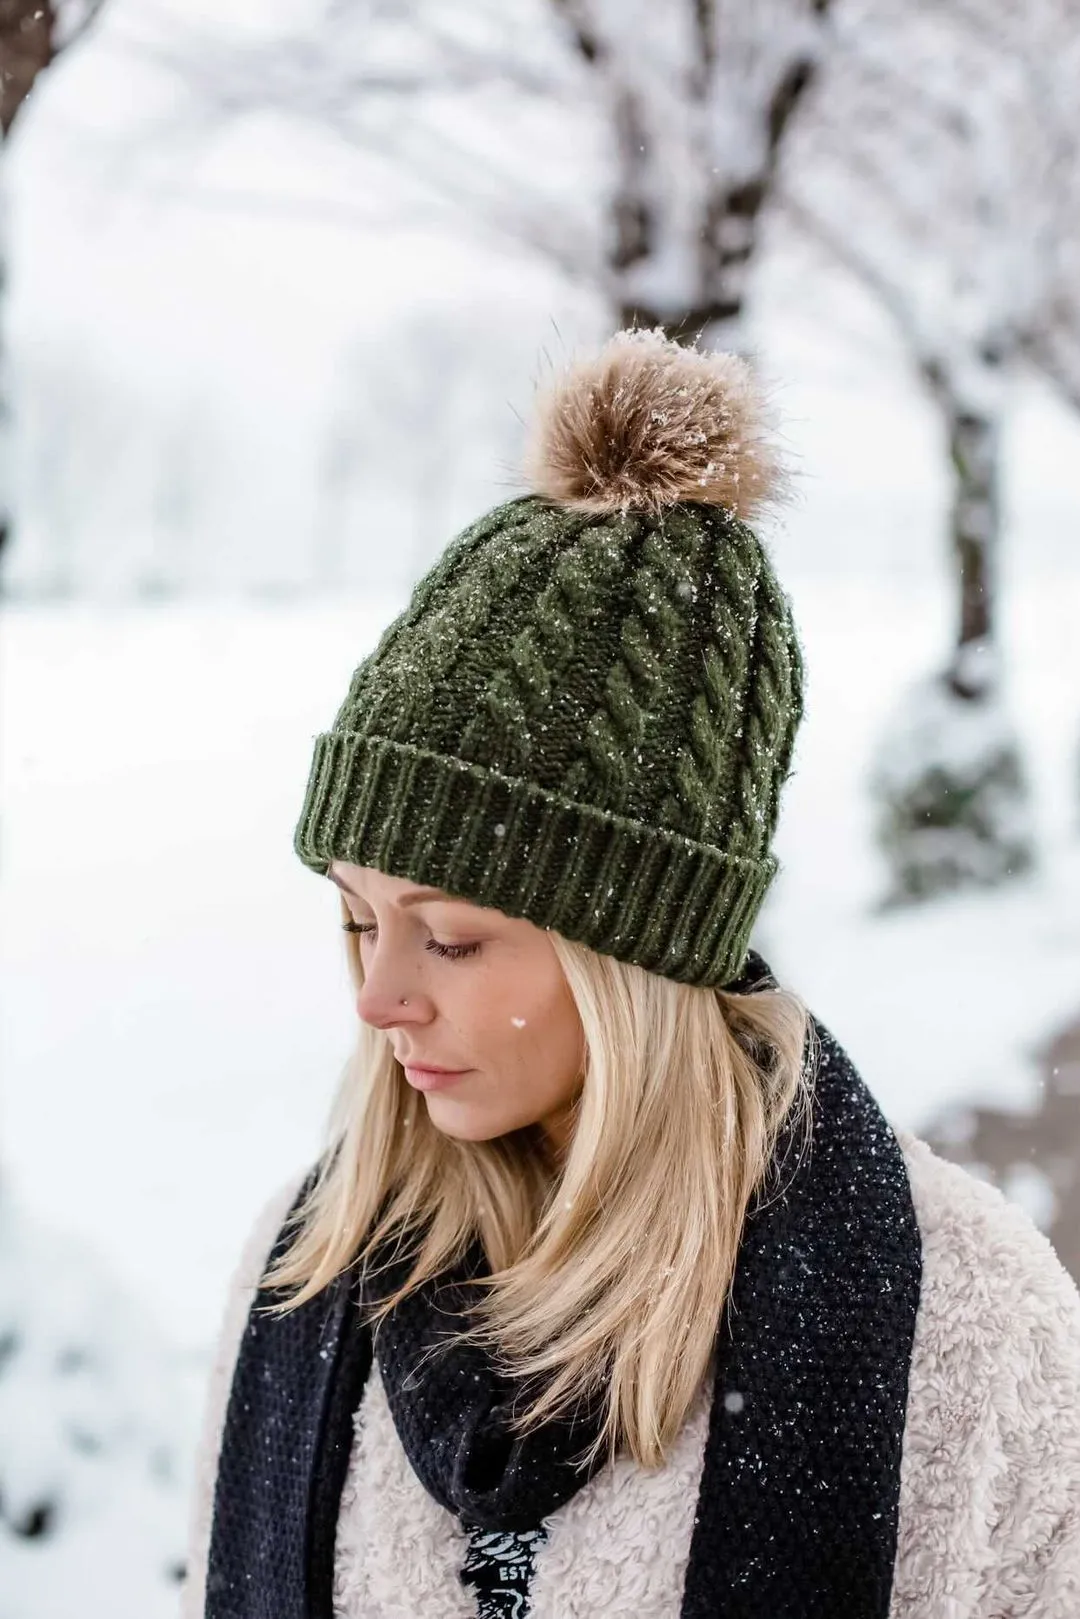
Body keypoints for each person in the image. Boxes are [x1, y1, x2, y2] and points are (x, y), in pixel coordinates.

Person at [182, 330, 1080, 1619]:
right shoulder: (306, 1273)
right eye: (354, 922)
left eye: (452, 936)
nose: (377, 998)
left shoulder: (968, 1334)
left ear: (636, 960)